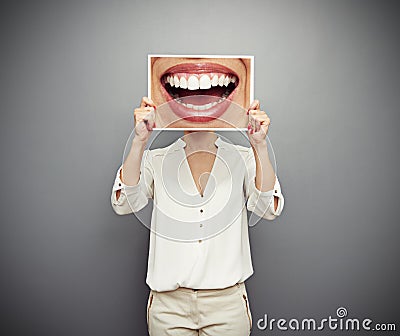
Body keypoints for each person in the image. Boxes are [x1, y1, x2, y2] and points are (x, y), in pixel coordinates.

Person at [110, 97, 284, 335]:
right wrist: (139, 142)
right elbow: (124, 203)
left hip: (227, 305)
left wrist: (260, 146)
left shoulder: (243, 157)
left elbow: (268, 207)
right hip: (168, 307)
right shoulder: (156, 159)